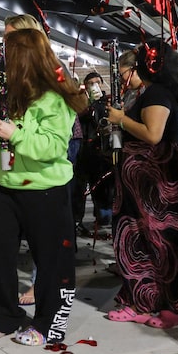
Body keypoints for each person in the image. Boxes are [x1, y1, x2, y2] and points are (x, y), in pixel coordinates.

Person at [0, 28, 87, 346]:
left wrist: (17, 136)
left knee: (51, 260)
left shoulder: (54, 97)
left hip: (44, 190)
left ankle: (48, 324)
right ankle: (4, 316)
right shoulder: (7, 93)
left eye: (8, 56)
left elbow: (54, 147)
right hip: (5, 187)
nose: (2, 62)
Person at [105, 41, 178, 329]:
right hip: (146, 188)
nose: (123, 80)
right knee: (145, 242)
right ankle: (147, 301)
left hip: (157, 185)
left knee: (162, 244)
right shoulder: (148, 94)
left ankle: (165, 306)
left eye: (125, 74)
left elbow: (153, 134)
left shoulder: (156, 93)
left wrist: (121, 119)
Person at [72, 71, 114, 235]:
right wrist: (88, 106)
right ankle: (77, 220)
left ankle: (103, 216)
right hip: (83, 149)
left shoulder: (107, 101)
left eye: (97, 82)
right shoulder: (81, 101)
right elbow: (76, 118)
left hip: (99, 150)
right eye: (91, 83)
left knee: (101, 187)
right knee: (80, 188)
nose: (95, 85)